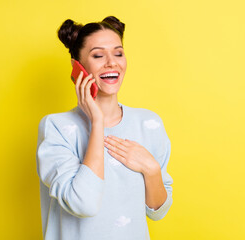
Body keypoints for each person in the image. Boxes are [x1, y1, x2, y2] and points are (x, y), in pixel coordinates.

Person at [36, 16, 173, 240]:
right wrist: (97, 123)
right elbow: (84, 204)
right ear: (77, 67)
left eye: (118, 53)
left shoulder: (149, 123)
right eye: (98, 55)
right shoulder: (57, 127)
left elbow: (158, 210)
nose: (112, 62)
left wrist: (151, 169)